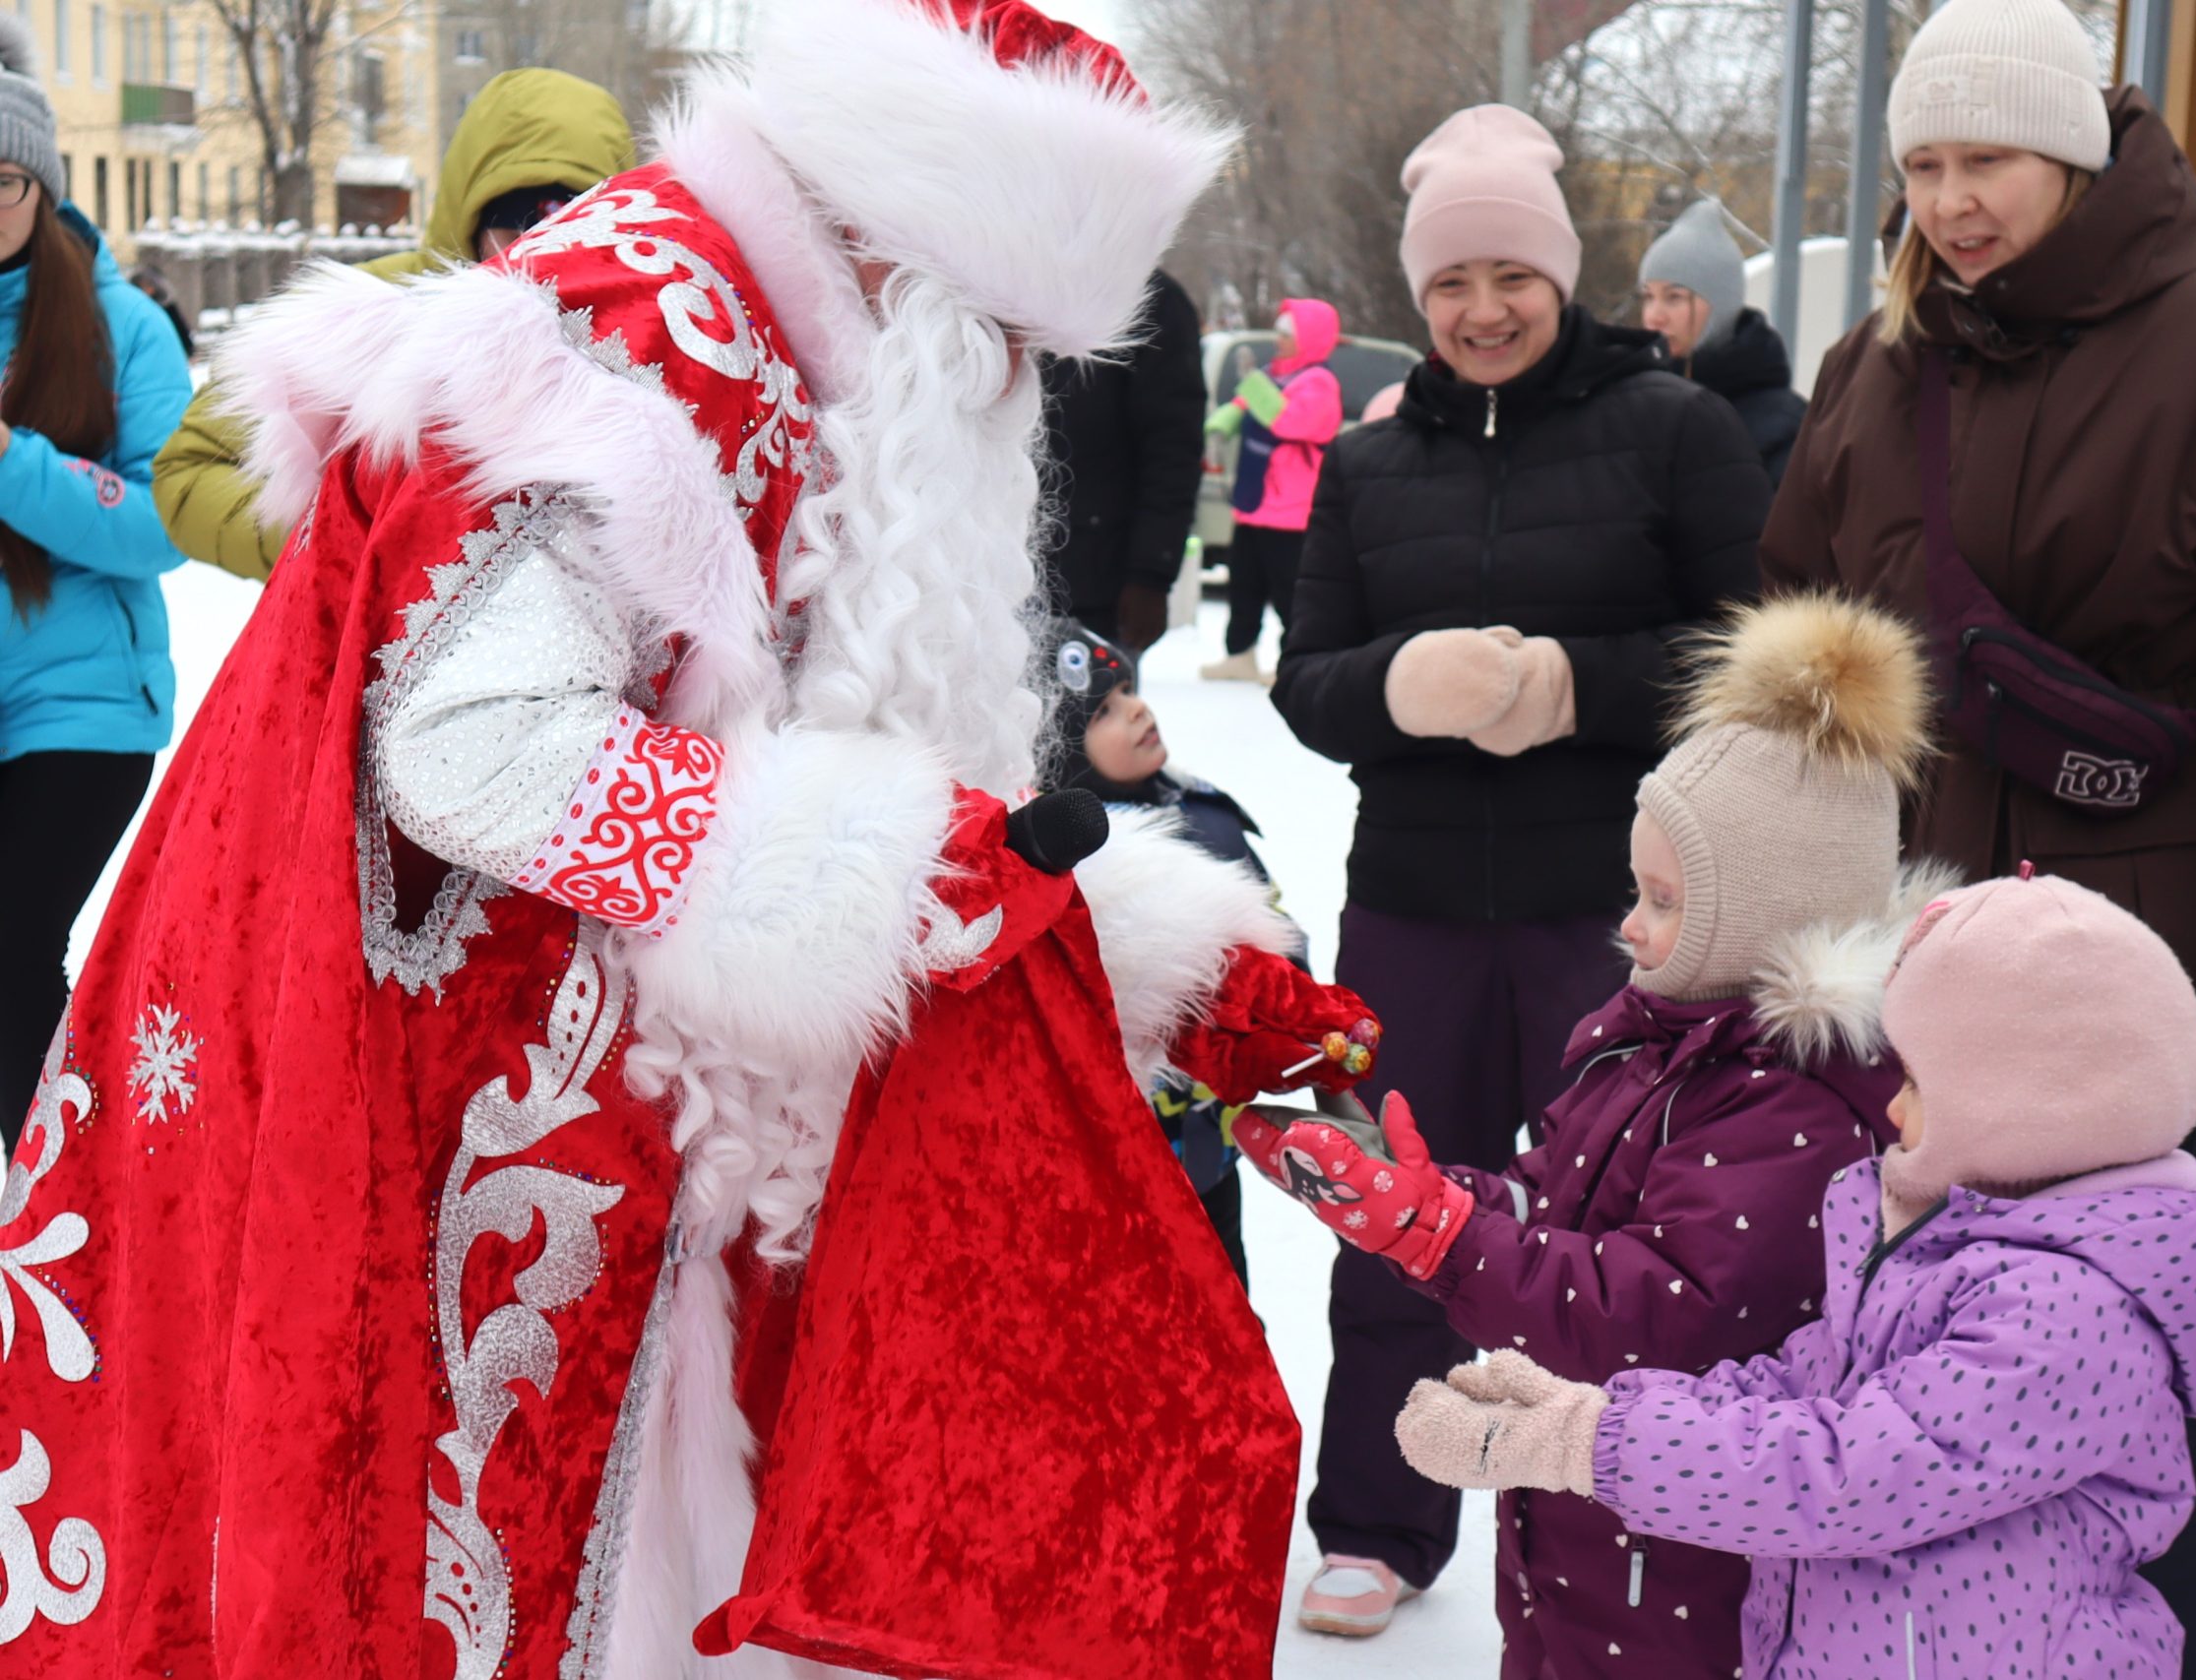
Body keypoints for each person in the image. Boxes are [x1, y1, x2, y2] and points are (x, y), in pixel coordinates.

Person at [0, 4, 1366, 1674]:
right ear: (913, 257)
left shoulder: (800, 356)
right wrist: (899, 869)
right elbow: (473, 739)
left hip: (613, 1121)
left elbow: (854, 741)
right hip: (418, 1106)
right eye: (1007, 338)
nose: (1017, 395)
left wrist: (1120, 944)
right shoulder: (641, 339)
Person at [1757, 3, 2196, 1668]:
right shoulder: (1875, 363)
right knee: (1879, 1366)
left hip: (2114, 983)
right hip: (1895, 957)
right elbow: (1791, 631)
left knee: (2098, 1387)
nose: (1952, 199)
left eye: (1987, 161)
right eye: (1923, 165)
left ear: (2072, 153)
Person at [1271, 99, 1769, 1637]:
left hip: (1616, 905)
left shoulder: (1671, 427)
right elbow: (1308, 678)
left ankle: (1624, 1494)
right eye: (1448, 286)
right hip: (1412, 898)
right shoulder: (1371, 463)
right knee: (1399, 1193)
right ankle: (1378, 1510)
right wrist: (1397, 688)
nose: (1482, 311)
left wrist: (1576, 685)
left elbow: (1752, 650)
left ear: (1564, 275)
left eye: (1511, 276)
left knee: (1612, 1222)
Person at [1239, 594, 1934, 1674]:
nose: (1627, 924)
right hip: (1583, 1537)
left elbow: (1663, 1309)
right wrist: (1429, 1191)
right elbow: (1550, 1195)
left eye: (1662, 900)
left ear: (1763, 918)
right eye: (1635, 889)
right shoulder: (1654, 1037)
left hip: (1691, 1576)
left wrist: (1442, 1237)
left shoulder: (1798, 1106)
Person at [1395, 872, 2196, 1680]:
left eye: (1922, 1084)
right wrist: (1578, 1407)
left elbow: (1844, 1469)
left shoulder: (2070, 1313)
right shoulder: (1955, 1243)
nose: (1891, 1107)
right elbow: (1796, 1385)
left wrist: (1582, 1443)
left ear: (2030, 1111)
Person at [152, 67, 636, 582]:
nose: (538, 260)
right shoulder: (362, 315)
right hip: (362, 653)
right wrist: (338, 547)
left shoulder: (653, 348)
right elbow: (188, 476)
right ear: (469, 215)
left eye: (572, 234)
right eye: (515, 229)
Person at [0, 16, 193, 1156]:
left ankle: (45, 1185)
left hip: (82, 709)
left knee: (15, 942)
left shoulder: (122, 328)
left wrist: (13, 466)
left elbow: (167, 518)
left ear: (43, 187)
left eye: (0, 181)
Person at [1041, 617, 1313, 1285]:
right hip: (1103, 1171)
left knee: (1227, 1314)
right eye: (1103, 710)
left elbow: (1280, 942)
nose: (1137, 710)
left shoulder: (1207, 819)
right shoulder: (1058, 869)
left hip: (1208, 1151)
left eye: (1130, 690)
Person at [1037, 269, 1208, 652]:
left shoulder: (1149, 299)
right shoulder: (1000, 278)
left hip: (1094, 584)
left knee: (1098, 711)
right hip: (992, 581)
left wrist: (1150, 574)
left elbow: (1172, 451)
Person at [1201, 297, 1343, 683]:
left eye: (1286, 334)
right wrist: (1219, 427)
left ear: (1308, 339)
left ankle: (1295, 660)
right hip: (1254, 500)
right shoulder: (1272, 373)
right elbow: (1243, 405)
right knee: (1243, 583)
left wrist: (1254, 384)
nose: (1278, 341)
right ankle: (1239, 653)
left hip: (1291, 508)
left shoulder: (1319, 383)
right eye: (1278, 333)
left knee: (1289, 591)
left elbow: (1287, 421)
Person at [1638, 197, 1806, 484]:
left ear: (1721, 306)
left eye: (1674, 297)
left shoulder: (1784, 426)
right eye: (1648, 297)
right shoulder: (1630, 404)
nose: (1655, 316)